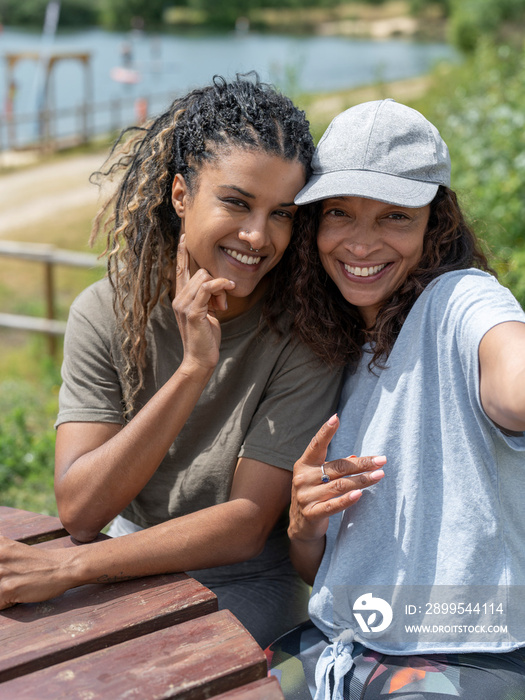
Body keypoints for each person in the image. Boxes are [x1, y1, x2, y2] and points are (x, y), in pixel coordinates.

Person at [0, 76, 381, 648]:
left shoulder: (306, 331)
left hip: (246, 582)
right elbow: (81, 510)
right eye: (236, 202)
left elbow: (247, 526)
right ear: (181, 195)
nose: (258, 235)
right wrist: (191, 372)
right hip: (124, 557)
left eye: (282, 213)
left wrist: (69, 570)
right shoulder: (105, 311)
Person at [268, 99, 525, 698]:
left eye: (394, 218)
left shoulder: (459, 302)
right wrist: (305, 525)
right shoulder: (340, 347)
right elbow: (324, 571)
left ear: (435, 225)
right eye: (340, 215)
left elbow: (512, 380)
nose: (361, 244)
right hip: (346, 647)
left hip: (466, 655)